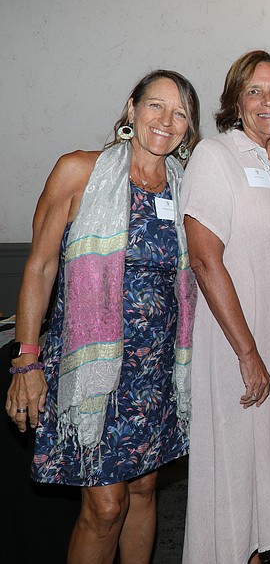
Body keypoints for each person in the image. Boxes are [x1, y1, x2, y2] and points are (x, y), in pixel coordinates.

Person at [4, 69, 199, 563]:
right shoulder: (79, 170)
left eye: (180, 114)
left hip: (157, 372)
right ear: (131, 109)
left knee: (145, 491)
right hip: (94, 373)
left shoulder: (187, 188)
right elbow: (41, 265)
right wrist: (27, 360)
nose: (167, 120)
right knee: (106, 507)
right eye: (156, 105)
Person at [180, 51, 270, 564]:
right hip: (239, 344)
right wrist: (248, 351)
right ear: (236, 102)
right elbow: (205, 259)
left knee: (263, 481)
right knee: (237, 476)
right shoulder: (216, 155)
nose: (267, 101)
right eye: (254, 91)